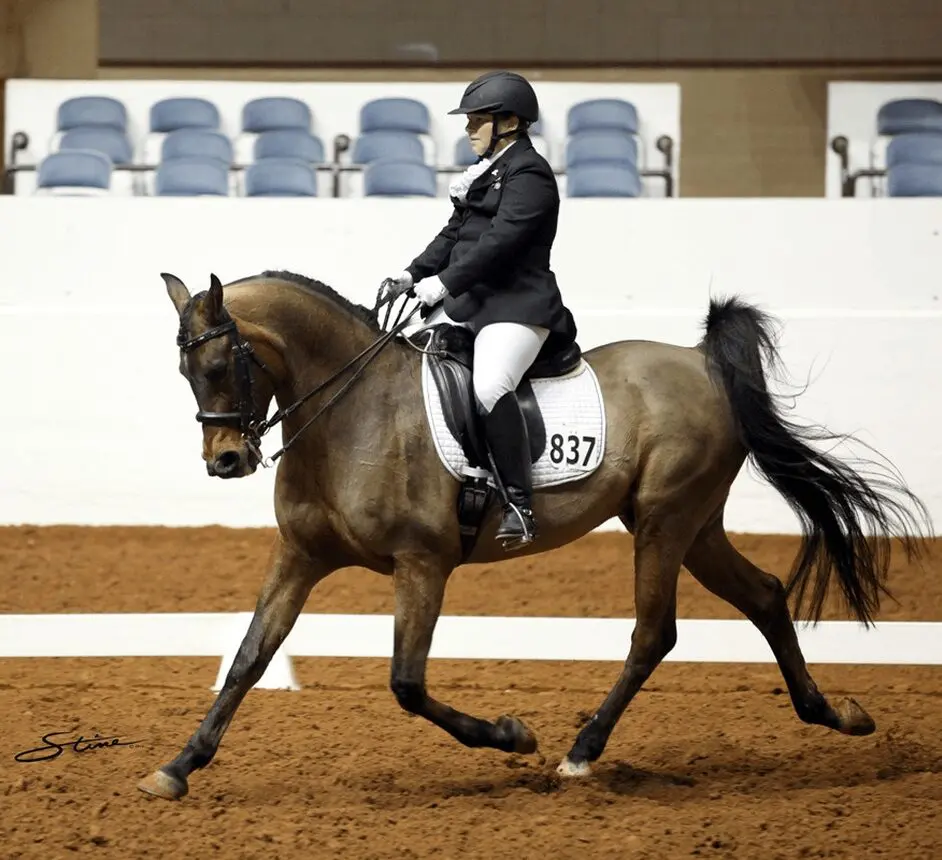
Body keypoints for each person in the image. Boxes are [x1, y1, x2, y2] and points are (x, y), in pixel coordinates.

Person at [383, 70, 577, 549]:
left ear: (509, 122)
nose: (469, 130)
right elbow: (453, 236)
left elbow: (500, 243)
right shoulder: (486, 173)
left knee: (490, 384)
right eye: (468, 121)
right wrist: (411, 275)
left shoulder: (529, 173)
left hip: (517, 306)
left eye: (478, 121)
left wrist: (443, 284)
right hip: (473, 303)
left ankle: (518, 503)